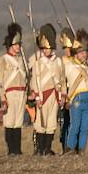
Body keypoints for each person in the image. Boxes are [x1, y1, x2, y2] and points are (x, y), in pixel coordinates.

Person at [29, 24, 64, 155]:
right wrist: (37, 97)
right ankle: (39, 148)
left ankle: (47, 148)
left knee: (51, 123)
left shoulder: (58, 62)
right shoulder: (38, 63)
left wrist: (63, 96)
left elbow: (62, 80)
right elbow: (35, 81)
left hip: (54, 96)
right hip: (42, 96)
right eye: (43, 49)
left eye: (48, 49)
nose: (46, 51)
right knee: (40, 123)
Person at [0, 23, 27, 155]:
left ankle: (17, 149)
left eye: (19, 44)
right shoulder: (2, 61)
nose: (18, 47)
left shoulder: (22, 60)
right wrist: (3, 98)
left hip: (21, 93)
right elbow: (0, 82)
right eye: (16, 45)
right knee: (9, 123)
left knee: (18, 122)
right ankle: (11, 150)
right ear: (10, 45)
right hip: (10, 94)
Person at [63, 29, 88, 153]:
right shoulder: (70, 65)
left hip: (87, 99)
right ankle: (70, 147)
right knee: (75, 126)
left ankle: (81, 148)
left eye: (85, 52)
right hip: (77, 98)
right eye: (81, 53)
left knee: (85, 127)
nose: (84, 55)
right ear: (75, 54)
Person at [58, 27, 74, 153]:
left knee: (73, 121)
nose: (68, 51)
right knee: (64, 122)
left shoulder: (76, 61)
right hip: (64, 92)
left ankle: (72, 145)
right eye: (66, 48)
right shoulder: (60, 61)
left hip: (74, 92)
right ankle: (64, 145)